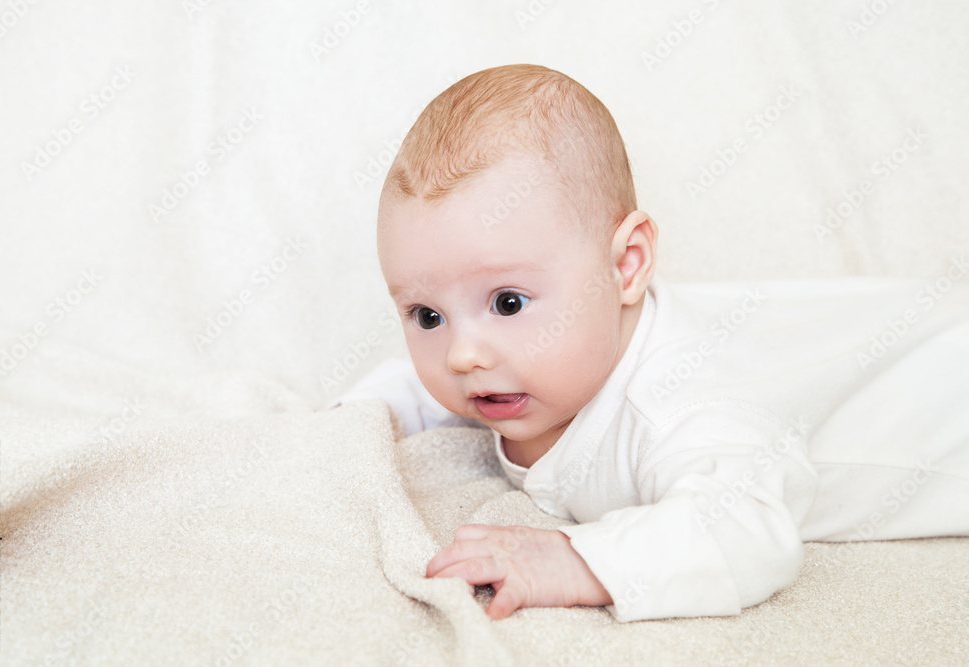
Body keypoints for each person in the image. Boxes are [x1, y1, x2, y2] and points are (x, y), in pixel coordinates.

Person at [330, 64, 969, 622]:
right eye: (426, 315)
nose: (463, 356)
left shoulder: (676, 401)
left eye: (508, 303)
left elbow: (746, 529)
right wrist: (347, 423)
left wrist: (578, 559)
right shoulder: (516, 365)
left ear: (627, 265)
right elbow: (410, 388)